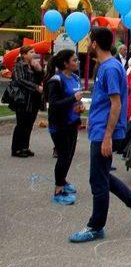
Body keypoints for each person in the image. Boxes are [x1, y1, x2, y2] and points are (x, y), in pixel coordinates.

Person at [69, 27, 131, 243]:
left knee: (97, 180)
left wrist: (106, 136)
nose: (87, 43)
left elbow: (116, 104)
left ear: (95, 43)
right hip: (100, 129)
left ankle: (96, 227)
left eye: (89, 40)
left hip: (105, 133)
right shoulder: (107, 66)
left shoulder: (111, 68)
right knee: (103, 175)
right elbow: (106, 102)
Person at [45, 50, 84, 205]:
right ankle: (58, 191)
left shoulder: (75, 78)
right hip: (59, 125)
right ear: (65, 64)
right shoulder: (55, 80)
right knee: (62, 157)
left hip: (72, 123)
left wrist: (79, 106)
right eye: (74, 60)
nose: (77, 62)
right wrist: (73, 98)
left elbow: (74, 102)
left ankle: (63, 181)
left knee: (69, 156)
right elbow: (53, 105)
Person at [9, 45, 43, 157]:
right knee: (21, 124)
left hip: (33, 99)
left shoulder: (33, 65)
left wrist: (39, 69)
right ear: (24, 54)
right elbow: (20, 80)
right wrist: (35, 87)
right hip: (22, 99)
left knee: (29, 124)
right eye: (31, 52)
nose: (33, 54)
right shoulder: (19, 65)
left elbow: (41, 78)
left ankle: (25, 147)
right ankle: (16, 149)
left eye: (34, 51)